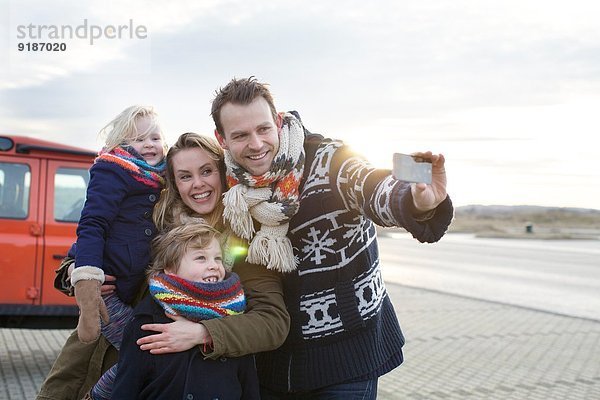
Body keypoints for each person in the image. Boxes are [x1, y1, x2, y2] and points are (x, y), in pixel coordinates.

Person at [210, 76, 454, 399]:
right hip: (273, 367)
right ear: (221, 138)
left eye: (263, 129)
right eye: (240, 135)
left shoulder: (331, 159)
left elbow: (371, 186)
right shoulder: (231, 190)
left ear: (278, 121)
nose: (256, 144)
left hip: (348, 357)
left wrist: (415, 202)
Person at [37, 132, 289, 400]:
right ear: (174, 182)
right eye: (185, 176)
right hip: (103, 363)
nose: (198, 184)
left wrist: (203, 332)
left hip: (196, 379)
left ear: (223, 173)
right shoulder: (154, 222)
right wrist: (74, 271)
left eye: (207, 171)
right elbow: (86, 248)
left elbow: (272, 322)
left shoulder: (247, 238)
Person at [111, 222, 259, 399]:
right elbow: (127, 388)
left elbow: (249, 387)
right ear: (170, 269)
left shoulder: (233, 316)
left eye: (217, 258)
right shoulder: (146, 322)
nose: (213, 265)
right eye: (201, 258)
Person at [70, 105, 167, 352]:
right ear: (120, 143)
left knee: (143, 354)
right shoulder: (113, 169)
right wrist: (87, 276)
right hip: (109, 288)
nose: (149, 144)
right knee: (137, 351)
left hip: (138, 286)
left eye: (155, 138)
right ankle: (98, 393)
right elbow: (93, 223)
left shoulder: (163, 177)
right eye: (139, 139)